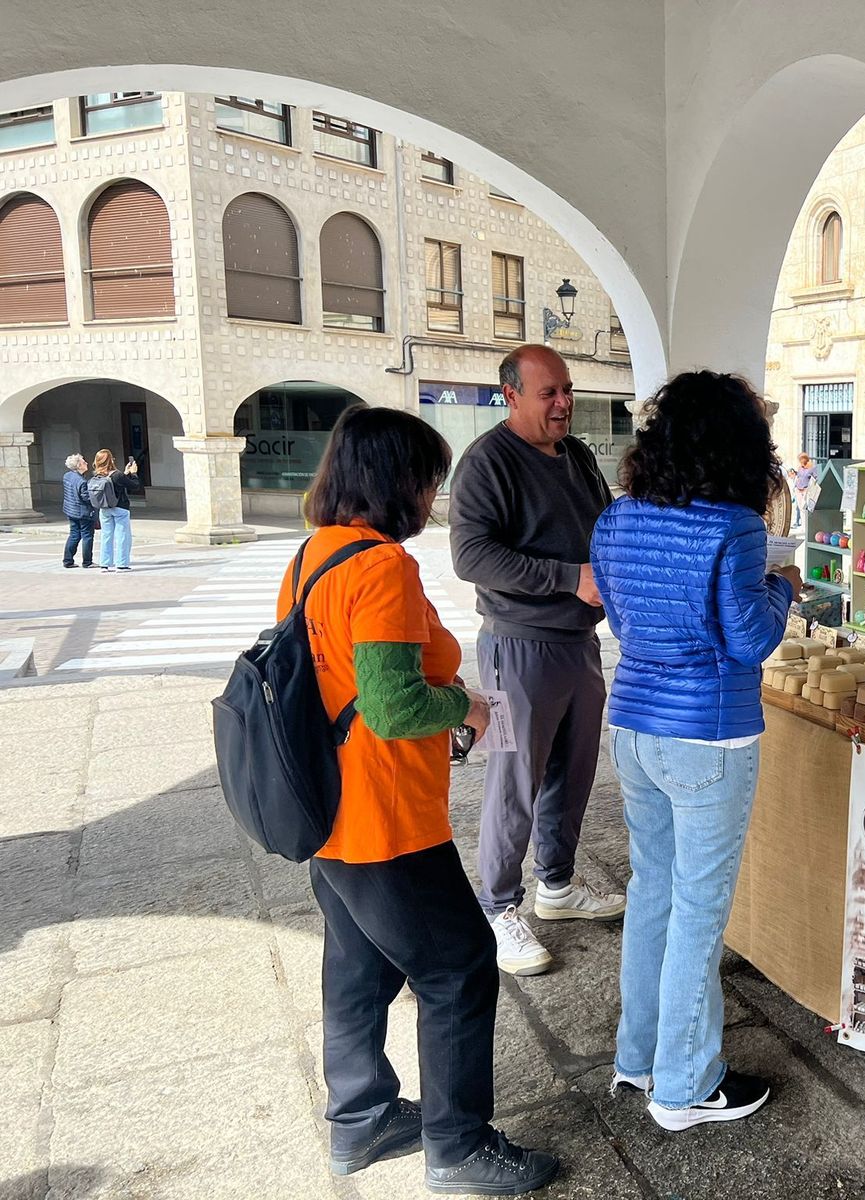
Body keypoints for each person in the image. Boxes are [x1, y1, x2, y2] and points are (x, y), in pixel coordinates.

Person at [287, 405, 558, 1195]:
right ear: (394, 481)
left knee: (360, 962)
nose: (434, 495)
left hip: (324, 803)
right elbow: (395, 705)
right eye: (428, 478)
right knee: (461, 969)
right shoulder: (379, 567)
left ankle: (361, 1117)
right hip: (384, 816)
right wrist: (468, 709)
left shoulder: (316, 553)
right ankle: (458, 1146)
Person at [590, 370, 802, 1131]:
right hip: (708, 732)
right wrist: (783, 586)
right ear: (743, 446)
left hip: (635, 725)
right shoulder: (734, 528)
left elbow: (617, 616)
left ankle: (638, 1056)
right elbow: (750, 638)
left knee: (653, 892)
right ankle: (684, 1087)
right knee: (698, 912)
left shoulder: (617, 519)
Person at [450, 344, 624, 977]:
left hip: (579, 640)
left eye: (567, 390)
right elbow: (471, 557)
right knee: (512, 781)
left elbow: (605, 527)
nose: (563, 403)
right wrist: (565, 576)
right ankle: (498, 907)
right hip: (516, 645)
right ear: (511, 396)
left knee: (573, 773)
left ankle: (557, 884)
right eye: (548, 393)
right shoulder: (486, 462)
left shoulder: (576, 456)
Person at [89, 449, 137, 571]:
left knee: (106, 536)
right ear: (111, 460)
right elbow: (135, 485)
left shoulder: (97, 475)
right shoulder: (117, 475)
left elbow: (115, 484)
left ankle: (104, 563)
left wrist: (125, 473)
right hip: (120, 507)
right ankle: (122, 564)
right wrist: (134, 473)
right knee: (122, 536)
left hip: (104, 508)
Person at [61, 454, 94, 569]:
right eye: (84, 462)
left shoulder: (67, 476)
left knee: (74, 534)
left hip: (70, 510)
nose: (86, 464)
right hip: (82, 512)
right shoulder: (82, 481)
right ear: (79, 465)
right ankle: (87, 562)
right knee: (87, 536)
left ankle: (68, 560)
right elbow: (86, 498)